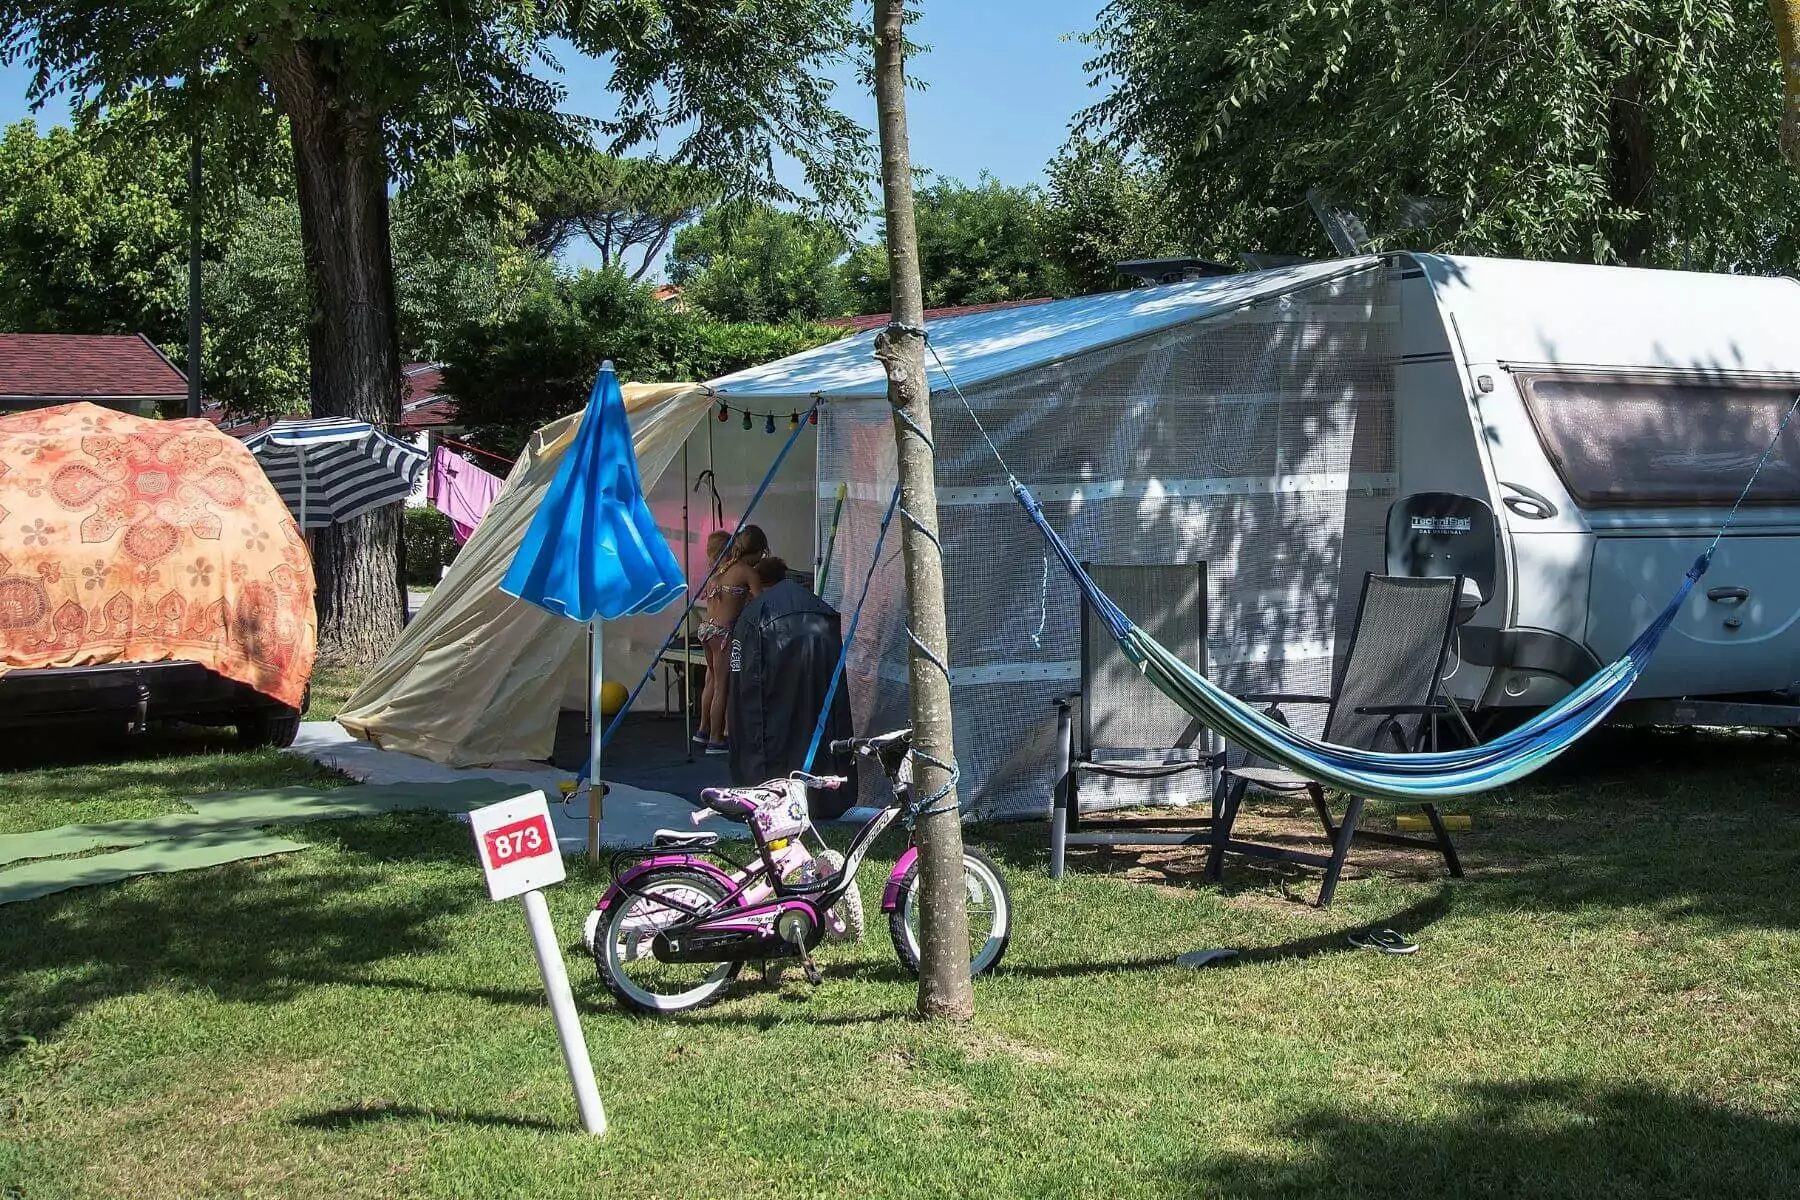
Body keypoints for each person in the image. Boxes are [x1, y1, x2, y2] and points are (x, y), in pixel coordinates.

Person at [726, 564, 855, 817]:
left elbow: (742, 695)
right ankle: (820, 797)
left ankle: (771, 792)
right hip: (811, 694)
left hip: (773, 719)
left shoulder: (754, 616)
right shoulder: (819, 613)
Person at [695, 524, 768, 756]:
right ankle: (716, 739)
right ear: (757, 552)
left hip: (706, 630)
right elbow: (763, 604)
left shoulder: (719, 568)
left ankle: (703, 729)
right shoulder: (747, 572)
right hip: (724, 635)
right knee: (722, 686)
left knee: (711, 681)